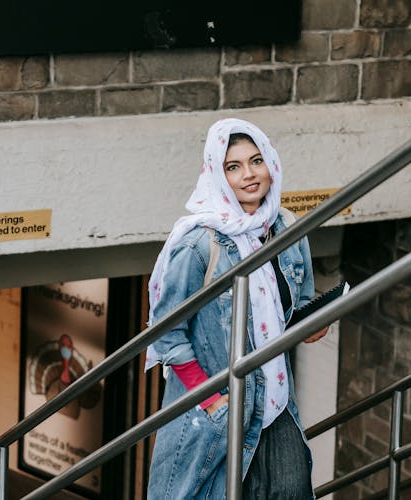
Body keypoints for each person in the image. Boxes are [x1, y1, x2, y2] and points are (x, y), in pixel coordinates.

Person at [145, 118, 328, 499]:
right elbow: (166, 335)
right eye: (233, 166)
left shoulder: (287, 228)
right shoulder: (199, 245)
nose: (249, 174)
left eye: (256, 161)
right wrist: (210, 399)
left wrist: (312, 323)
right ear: (216, 174)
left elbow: (296, 306)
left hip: (277, 404)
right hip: (218, 412)